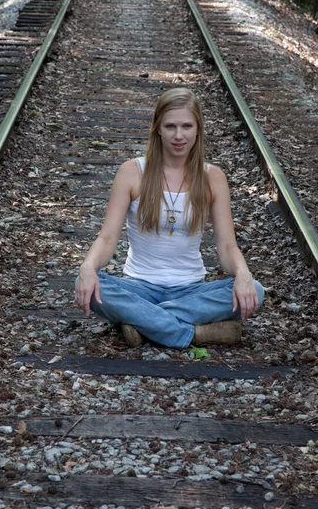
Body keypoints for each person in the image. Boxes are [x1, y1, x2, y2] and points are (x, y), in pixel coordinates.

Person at [75, 88, 264, 349]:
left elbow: (227, 246)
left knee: (256, 290)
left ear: (198, 130)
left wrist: (243, 273)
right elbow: (107, 238)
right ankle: (194, 334)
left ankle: (142, 320)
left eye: (186, 126)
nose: (178, 135)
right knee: (92, 286)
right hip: (139, 287)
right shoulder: (132, 172)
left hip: (190, 290)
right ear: (158, 129)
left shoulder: (213, 178)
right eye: (170, 126)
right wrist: (87, 267)